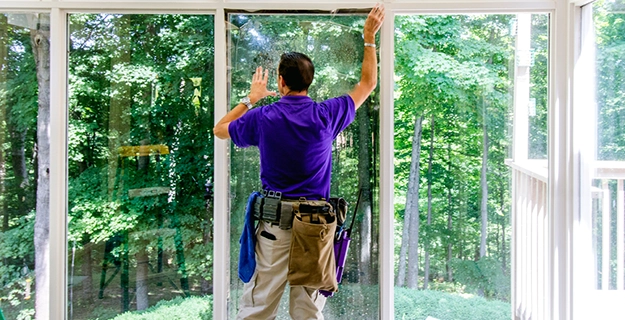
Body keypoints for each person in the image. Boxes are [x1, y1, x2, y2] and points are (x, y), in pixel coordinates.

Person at [213, 5, 385, 320]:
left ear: (281, 81)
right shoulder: (326, 115)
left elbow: (220, 130)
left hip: (275, 230)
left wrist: (251, 98)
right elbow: (368, 84)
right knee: (307, 312)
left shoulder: (264, 116)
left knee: (258, 309)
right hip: (315, 229)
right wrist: (369, 38)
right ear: (310, 81)